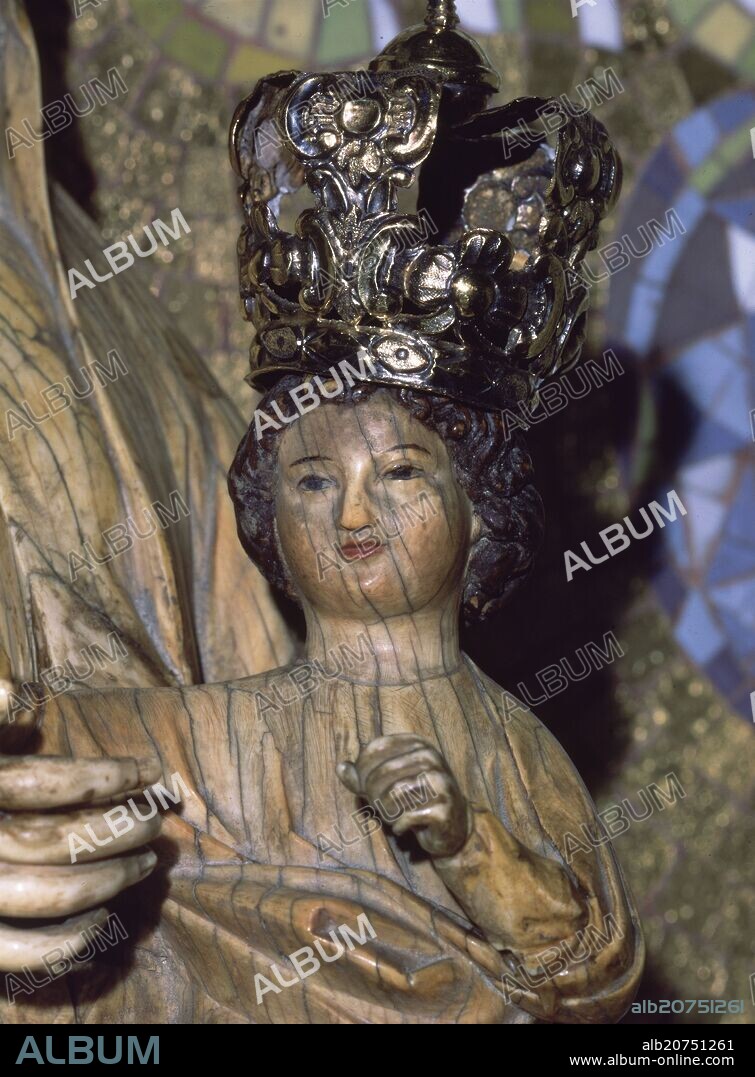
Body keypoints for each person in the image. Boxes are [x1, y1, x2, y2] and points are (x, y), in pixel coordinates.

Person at [1, 373, 643, 1023]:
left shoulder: (514, 742)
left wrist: (467, 843)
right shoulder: (178, 733)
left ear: (478, 508)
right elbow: (38, 753)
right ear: (269, 522)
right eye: (313, 480)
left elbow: (592, 977)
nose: (353, 514)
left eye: (398, 473)